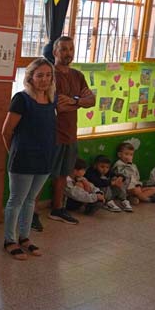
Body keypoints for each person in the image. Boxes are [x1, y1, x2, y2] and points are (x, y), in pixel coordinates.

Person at [1, 58, 57, 261]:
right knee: (16, 200)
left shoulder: (52, 99)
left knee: (31, 200)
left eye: (48, 75)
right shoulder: (21, 99)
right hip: (23, 160)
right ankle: (9, 240)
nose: (44, 79)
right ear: (30, 77)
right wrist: (15, 153)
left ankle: (25, 238)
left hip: (44, 159)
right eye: (39, 75)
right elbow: (6, 131)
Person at [48, 36, 96, 225]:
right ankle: (32, 213)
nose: (68, 53)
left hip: (70, 134)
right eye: (64, 49)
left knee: (62, 174)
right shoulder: (49, 74)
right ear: (55, 52)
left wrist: (75, 101)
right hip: (51, 134)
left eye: (71, 49)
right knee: (41, 175)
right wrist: (79, 102)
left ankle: (57, 209)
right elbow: (59, 106)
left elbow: (91, 101)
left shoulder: (77, 75)